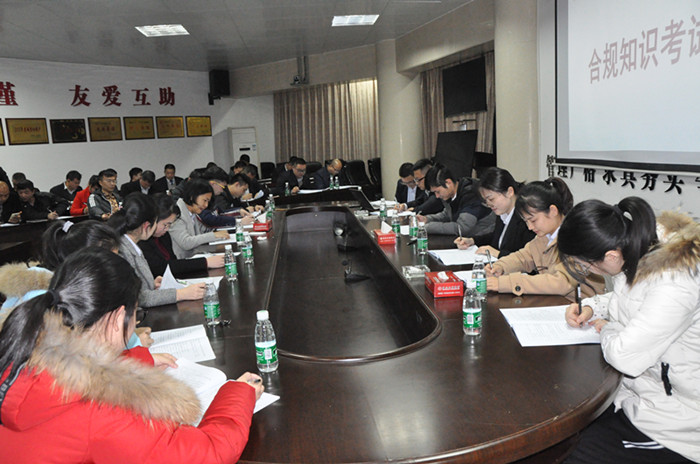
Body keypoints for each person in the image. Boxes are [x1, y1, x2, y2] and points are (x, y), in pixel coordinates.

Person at [0, 247, 264, 463]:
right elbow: (208, 455)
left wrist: (141, 360)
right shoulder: (106, 411)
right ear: (118, 318)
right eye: (135, 313)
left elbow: (79, 370)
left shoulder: (21, 352)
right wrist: (239, 394)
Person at [558, 197, 700, 464]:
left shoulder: (677, 282)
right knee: (564, 437)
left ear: (610, 256)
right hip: (638, 396)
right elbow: (630, 300)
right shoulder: (638, 251)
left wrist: (608, 328)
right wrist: (592, 308)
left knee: (569, 454)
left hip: (678, 422)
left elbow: (625, 356)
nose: (588, 270)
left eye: (587, 265)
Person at [484, 178, 605, 299]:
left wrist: (507, 283)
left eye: (533, 220)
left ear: (552, 211)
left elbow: (561, 282)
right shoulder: (543, 237)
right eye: (526, 221)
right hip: (555, 302)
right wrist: (500, 266)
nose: (530, 227)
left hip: (581, 306)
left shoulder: (576, 237)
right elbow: (523, 257)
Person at [108, 193, 207, 307]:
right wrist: (181, 294)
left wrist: (151, 284)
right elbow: (139, 298)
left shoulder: (131, 245)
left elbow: (138, 288)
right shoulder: (122, 251)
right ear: (147, 225)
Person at [454, 167, 535, 258]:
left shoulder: (526, 219)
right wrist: (472, 240)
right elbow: (498, 237)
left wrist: (498, 253)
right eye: (486, 200)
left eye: (491, 199)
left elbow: (529, 258)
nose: (489, 204)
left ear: (509, 192)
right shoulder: (503, 212)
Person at [140, 194, 225, 278]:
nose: (167, 229)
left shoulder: (163, 235)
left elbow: (173, 262)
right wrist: (205, 263)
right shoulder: (142, 241)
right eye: (165, 225)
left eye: (170, 225)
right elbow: (161, 268)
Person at [416, 165, 494, 236]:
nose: (437, 196)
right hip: (466, 239)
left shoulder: (470, 194)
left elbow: (462, 228)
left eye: (438, 191)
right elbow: (447, 214)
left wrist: (428, 227)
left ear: (448, 183)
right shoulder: (451, 193)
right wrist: (427, 219)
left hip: (482, 239)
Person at [169, 179, 230, 258]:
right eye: (205, 200)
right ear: (192, 197)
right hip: (183, 260)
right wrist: (214, 235)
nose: (206, 205)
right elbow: (186, 243)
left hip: (195, 255)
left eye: (208, 201)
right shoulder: (177, 214)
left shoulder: (192, 212)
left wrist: (218, 241)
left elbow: (202, 234)